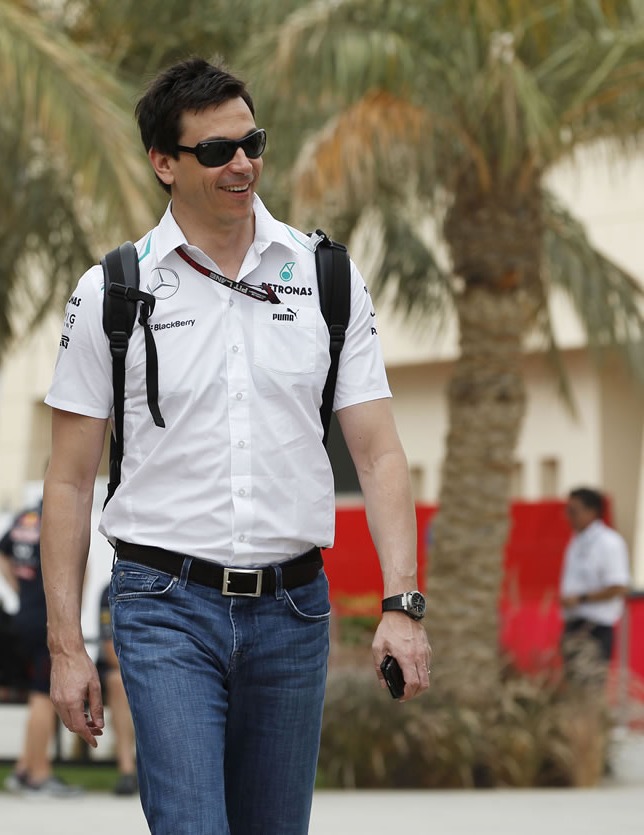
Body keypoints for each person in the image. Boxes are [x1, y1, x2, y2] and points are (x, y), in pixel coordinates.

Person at [41, 58, 431, 834]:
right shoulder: (113, 291)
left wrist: (402, 603)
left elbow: (381, 454)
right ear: (164, 162)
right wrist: (65, 647)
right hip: (163, 604)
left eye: (252, 143)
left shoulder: (325, 278)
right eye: (217, 151)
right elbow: (69, 481)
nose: (243, 164)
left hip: (294, 608)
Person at [0, 502, 82, 797]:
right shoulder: (62, 514)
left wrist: (19, 588)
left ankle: (24, 767)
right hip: (48, 619)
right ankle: (39, 775)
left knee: (39, 695)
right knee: (44, 697)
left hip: (26, 616)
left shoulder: (26, 517)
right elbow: (78, 567)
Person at [558, 487, 631, 688]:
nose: (568, 516)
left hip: (595, 628)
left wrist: (580, 598)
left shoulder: (609, 542)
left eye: (573, 511)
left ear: (592, 511)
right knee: (574, 689)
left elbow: (619, 587)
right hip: (574, 624)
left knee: (591, 690)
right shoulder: (577, 540)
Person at [95, 582, 138, 796]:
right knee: (117, 681)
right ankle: (127, 771)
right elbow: (110, 653)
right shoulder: (110, 591)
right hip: (121, 668)